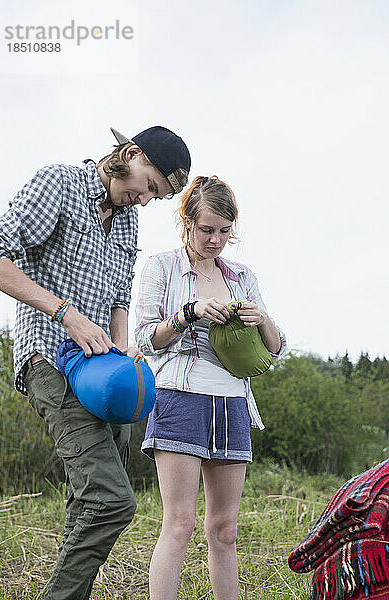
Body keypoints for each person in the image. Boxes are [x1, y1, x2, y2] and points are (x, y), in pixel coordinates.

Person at [0, 125, 191, 600]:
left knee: (88, 501)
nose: (144, 201)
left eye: (155, 197)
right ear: (133, 154)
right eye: (149, 187)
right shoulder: (60, 183)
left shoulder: (127, 221)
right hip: (50, 359)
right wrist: (65, 312)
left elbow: (121, 295)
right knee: (112, 501)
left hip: (102, 373)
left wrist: (122, 348)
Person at [135, 175, 286, 600]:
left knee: (225, 529)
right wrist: (190, 312)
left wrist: (263, 320)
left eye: (223, 231)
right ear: (187, 221)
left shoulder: (241, 277)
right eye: (206, 230)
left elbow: (274, 349)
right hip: (181, 397)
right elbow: (145, 338)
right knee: (179, 523)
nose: (216, 240)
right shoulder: (162, 266)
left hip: (233, 402)